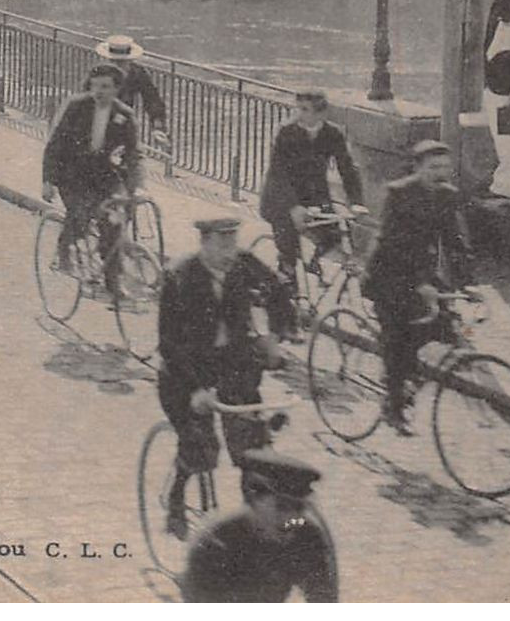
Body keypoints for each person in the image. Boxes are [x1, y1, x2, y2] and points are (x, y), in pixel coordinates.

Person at [155, 217, 281, 537]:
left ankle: (252, 525)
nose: (230, 252)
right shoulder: (180, 277)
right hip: (186, 374)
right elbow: (169, 344)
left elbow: (280, 290)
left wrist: (273, 336)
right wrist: (196, 389)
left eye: (233, 242)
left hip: (232, 367)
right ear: (204, 243)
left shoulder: (242, 265)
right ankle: (176, 498)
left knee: (252, 448)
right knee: (201, 446)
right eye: (222, 244)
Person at [365, 140, 473, 434]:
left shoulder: (447, 196)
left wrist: (468, 283)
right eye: (433, 167)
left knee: (442, 325)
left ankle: (405, 372)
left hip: (421, 275)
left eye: (445, 167)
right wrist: (420, 283)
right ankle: (393, 404)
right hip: (388, 275)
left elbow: (454, 242)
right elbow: (391, 245)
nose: (440, 173)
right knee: (398, 338)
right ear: (418, 167)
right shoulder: (398, 193)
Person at [256, 90, 366, 338]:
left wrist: (356, 203)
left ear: (321, 112)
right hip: (281, 200)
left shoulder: (332, 134)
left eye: (305, 110)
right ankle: (287, 321)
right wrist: (293, 206)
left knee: (338, 235)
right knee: (289, 255)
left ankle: (313, 266)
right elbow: (278, 173)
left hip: (315, 199)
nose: (299, 114)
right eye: (298, 109)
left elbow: (347, 168)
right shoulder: (286, 133)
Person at [182, 450, 338, 603]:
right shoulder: (216, 544)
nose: (291, 518)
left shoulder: (306, 537)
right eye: (282, 506)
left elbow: (324, 598)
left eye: (299, 508)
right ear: (254, 501)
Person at [41, 62, 143, 289]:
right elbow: (55, 145)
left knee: (113, 223)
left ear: (116, 89)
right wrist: (48, 180)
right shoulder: (76, 107)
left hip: (105, 178)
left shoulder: (125, 116)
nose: (99, 92)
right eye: (95, 86)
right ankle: (64, 251)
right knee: (80, 211)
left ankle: (112, 281)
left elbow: (133, 156)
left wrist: (134, 188)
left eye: (106, 87)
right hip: (72, 175)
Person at [93, 34, 169, 136]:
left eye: (121, 62)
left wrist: (157, 126)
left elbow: (152, 99)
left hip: (123, 124)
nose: (117, 66)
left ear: (129, 60)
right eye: (113, 61)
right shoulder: (98, 73)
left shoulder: (137, 73)